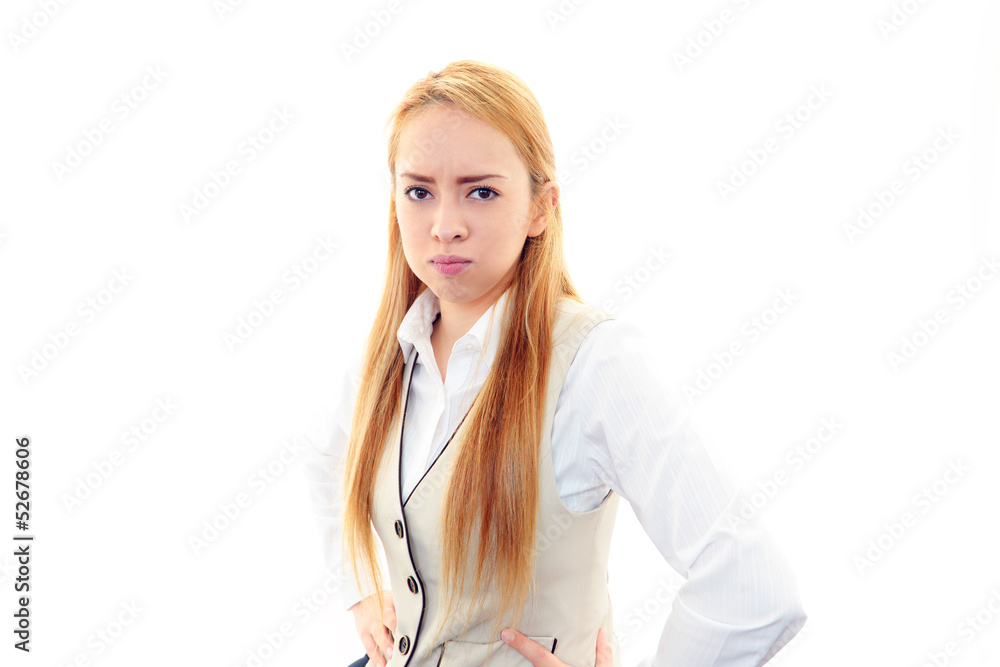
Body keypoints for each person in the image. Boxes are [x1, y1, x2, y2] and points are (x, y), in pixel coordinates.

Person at [303, 59, 807, 667]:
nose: (445, 226)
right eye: (419, 192)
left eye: (482, 192)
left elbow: (752, 587)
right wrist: (362, 590)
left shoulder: (595, 362)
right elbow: (327, 459)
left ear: (541, 207)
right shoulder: (388, 356)